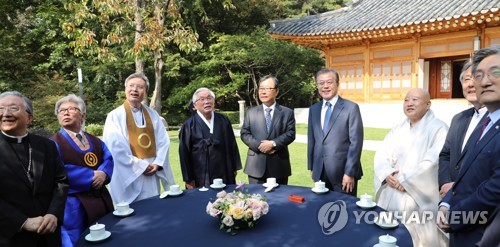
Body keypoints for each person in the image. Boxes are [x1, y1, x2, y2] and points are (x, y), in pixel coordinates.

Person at [438, 45, 500, 247]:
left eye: (495, 72)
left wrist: (454, 215)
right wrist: (446, 201)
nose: (484, 81)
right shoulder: (485, 124)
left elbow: (494, 189)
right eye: (478, 75)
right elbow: (462, 170)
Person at [374, 88, 448, 247]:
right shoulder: (398, 128)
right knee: (386, 236)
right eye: (406, 100)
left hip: (416, 195)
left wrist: (405, 179)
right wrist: (387, 173)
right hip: (392, 190)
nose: (409, 103)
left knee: (416, 241)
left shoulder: (439, 128)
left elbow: (434, 160)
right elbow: (382, 154)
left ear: (428, 104)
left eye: (415, 100)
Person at [0, 91, 69, 247]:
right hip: (11, 236)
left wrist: (54, 214)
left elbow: (61, 181)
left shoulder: (46, 145)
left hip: (49, 232)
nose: (6, 114)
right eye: (1, 109)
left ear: (29, 117)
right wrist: (23, 222)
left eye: (13, 108)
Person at [50, 94, 114, 247]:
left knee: (107, 235)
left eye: (71, 109)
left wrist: (104, 173)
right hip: (74, 204)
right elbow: (59, 169)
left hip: (101, 197)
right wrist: (91, 175)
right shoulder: (53, 143)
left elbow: (108, 158)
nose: (65, 112)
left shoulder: (95, 140)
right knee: (78, 240)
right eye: (61, 110)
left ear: (83, 115)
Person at [103, 73, 175, 203]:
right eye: (131, 86)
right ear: (125, 89)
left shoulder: (153, 115)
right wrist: (140, 165)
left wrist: (158, 163)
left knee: (153, 207)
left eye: (140, 87)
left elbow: (163, 142)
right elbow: (116, 148)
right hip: (129, 175)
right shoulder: (115, 116)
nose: (135, 90)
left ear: (146, 92)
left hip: (151, 172)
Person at [307, 68, 363, 196]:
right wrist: (312, 167)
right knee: (321, 211)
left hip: (343, 174)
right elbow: (312, 140)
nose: (325, 86)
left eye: (329, 82)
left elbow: (356, 143)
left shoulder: (351, 108)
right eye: (321, 83)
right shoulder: (313, 110)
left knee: (344, 211)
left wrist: (349, 173)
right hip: (320, 171)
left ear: (337, 84)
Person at [438, 61, 487, 198]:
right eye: (466, 79)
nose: (470, 84)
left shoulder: (495, 120)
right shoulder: (458, 119)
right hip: (451, 201)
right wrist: (444, 183)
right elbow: (445, 155)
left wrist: (458, 188)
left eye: (477, 77)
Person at [179, 88, 241, 188]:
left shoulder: (223, 120)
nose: (206, 102)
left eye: (209, 98)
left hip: (224, 169)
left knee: (226, 199)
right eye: (202, 99)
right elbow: (184, 153)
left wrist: (233, 167)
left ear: (213, 101)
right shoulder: (189, 125)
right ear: (195, 105)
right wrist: (188, 179)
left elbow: (232, 144)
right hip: (200, 173)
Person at [241, 75, 296, 185]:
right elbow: (244, 133)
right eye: (261, 89)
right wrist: (260, 146)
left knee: (279, 200)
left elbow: (291, 133)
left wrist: (273, 143)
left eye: (267, 88)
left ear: (276, 91)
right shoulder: (251, 113)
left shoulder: (287, 112)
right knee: (255, 201)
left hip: (279, 165)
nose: (263, 92)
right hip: (256, 166)